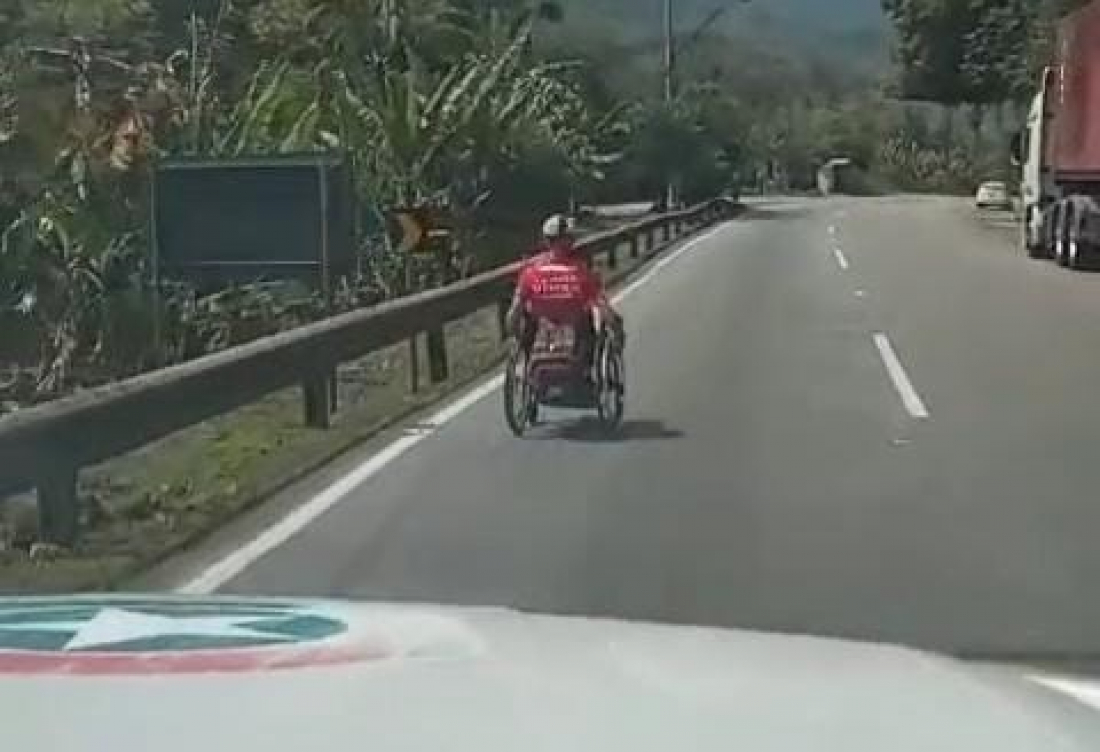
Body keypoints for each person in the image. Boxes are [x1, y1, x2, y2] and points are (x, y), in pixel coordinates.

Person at [506, 214, 624, 383]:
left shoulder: (530, 271)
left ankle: (526, 365)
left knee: (528, 317)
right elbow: (601, 305)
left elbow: (516, 309)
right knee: (589, 318)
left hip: (540, 329)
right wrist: (616, 327)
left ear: (547, 241)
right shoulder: (581, 271)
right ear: (570, 241)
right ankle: (586, 370)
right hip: (576, 329)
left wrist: (515, 335)